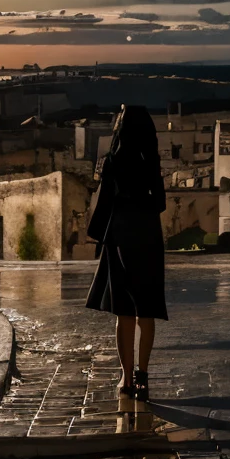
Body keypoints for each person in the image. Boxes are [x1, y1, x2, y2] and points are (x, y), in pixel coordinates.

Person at [83, 104, 168, 397]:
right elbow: (160, 204)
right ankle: (144, 376)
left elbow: (104, 201)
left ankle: (126, 379)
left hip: (120, 233)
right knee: (146, 308)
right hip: (147, 235)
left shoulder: (113, 161)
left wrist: (96, 233)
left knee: (124, 311)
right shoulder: (151, 161)